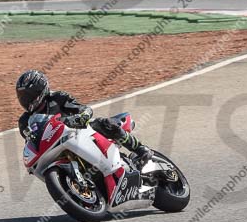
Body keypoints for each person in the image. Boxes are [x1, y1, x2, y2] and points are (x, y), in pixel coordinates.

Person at [16, 69, 153, 168]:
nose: (26, 100)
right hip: (54, 147)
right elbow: (30, 140)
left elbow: (84, 109)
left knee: (103, 123)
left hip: (78, 132)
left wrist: (78, 118)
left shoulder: (58, 97)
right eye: (22, 97)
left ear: (40, 90)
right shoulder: (24, 121)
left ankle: (140, 150)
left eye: (29, 95)